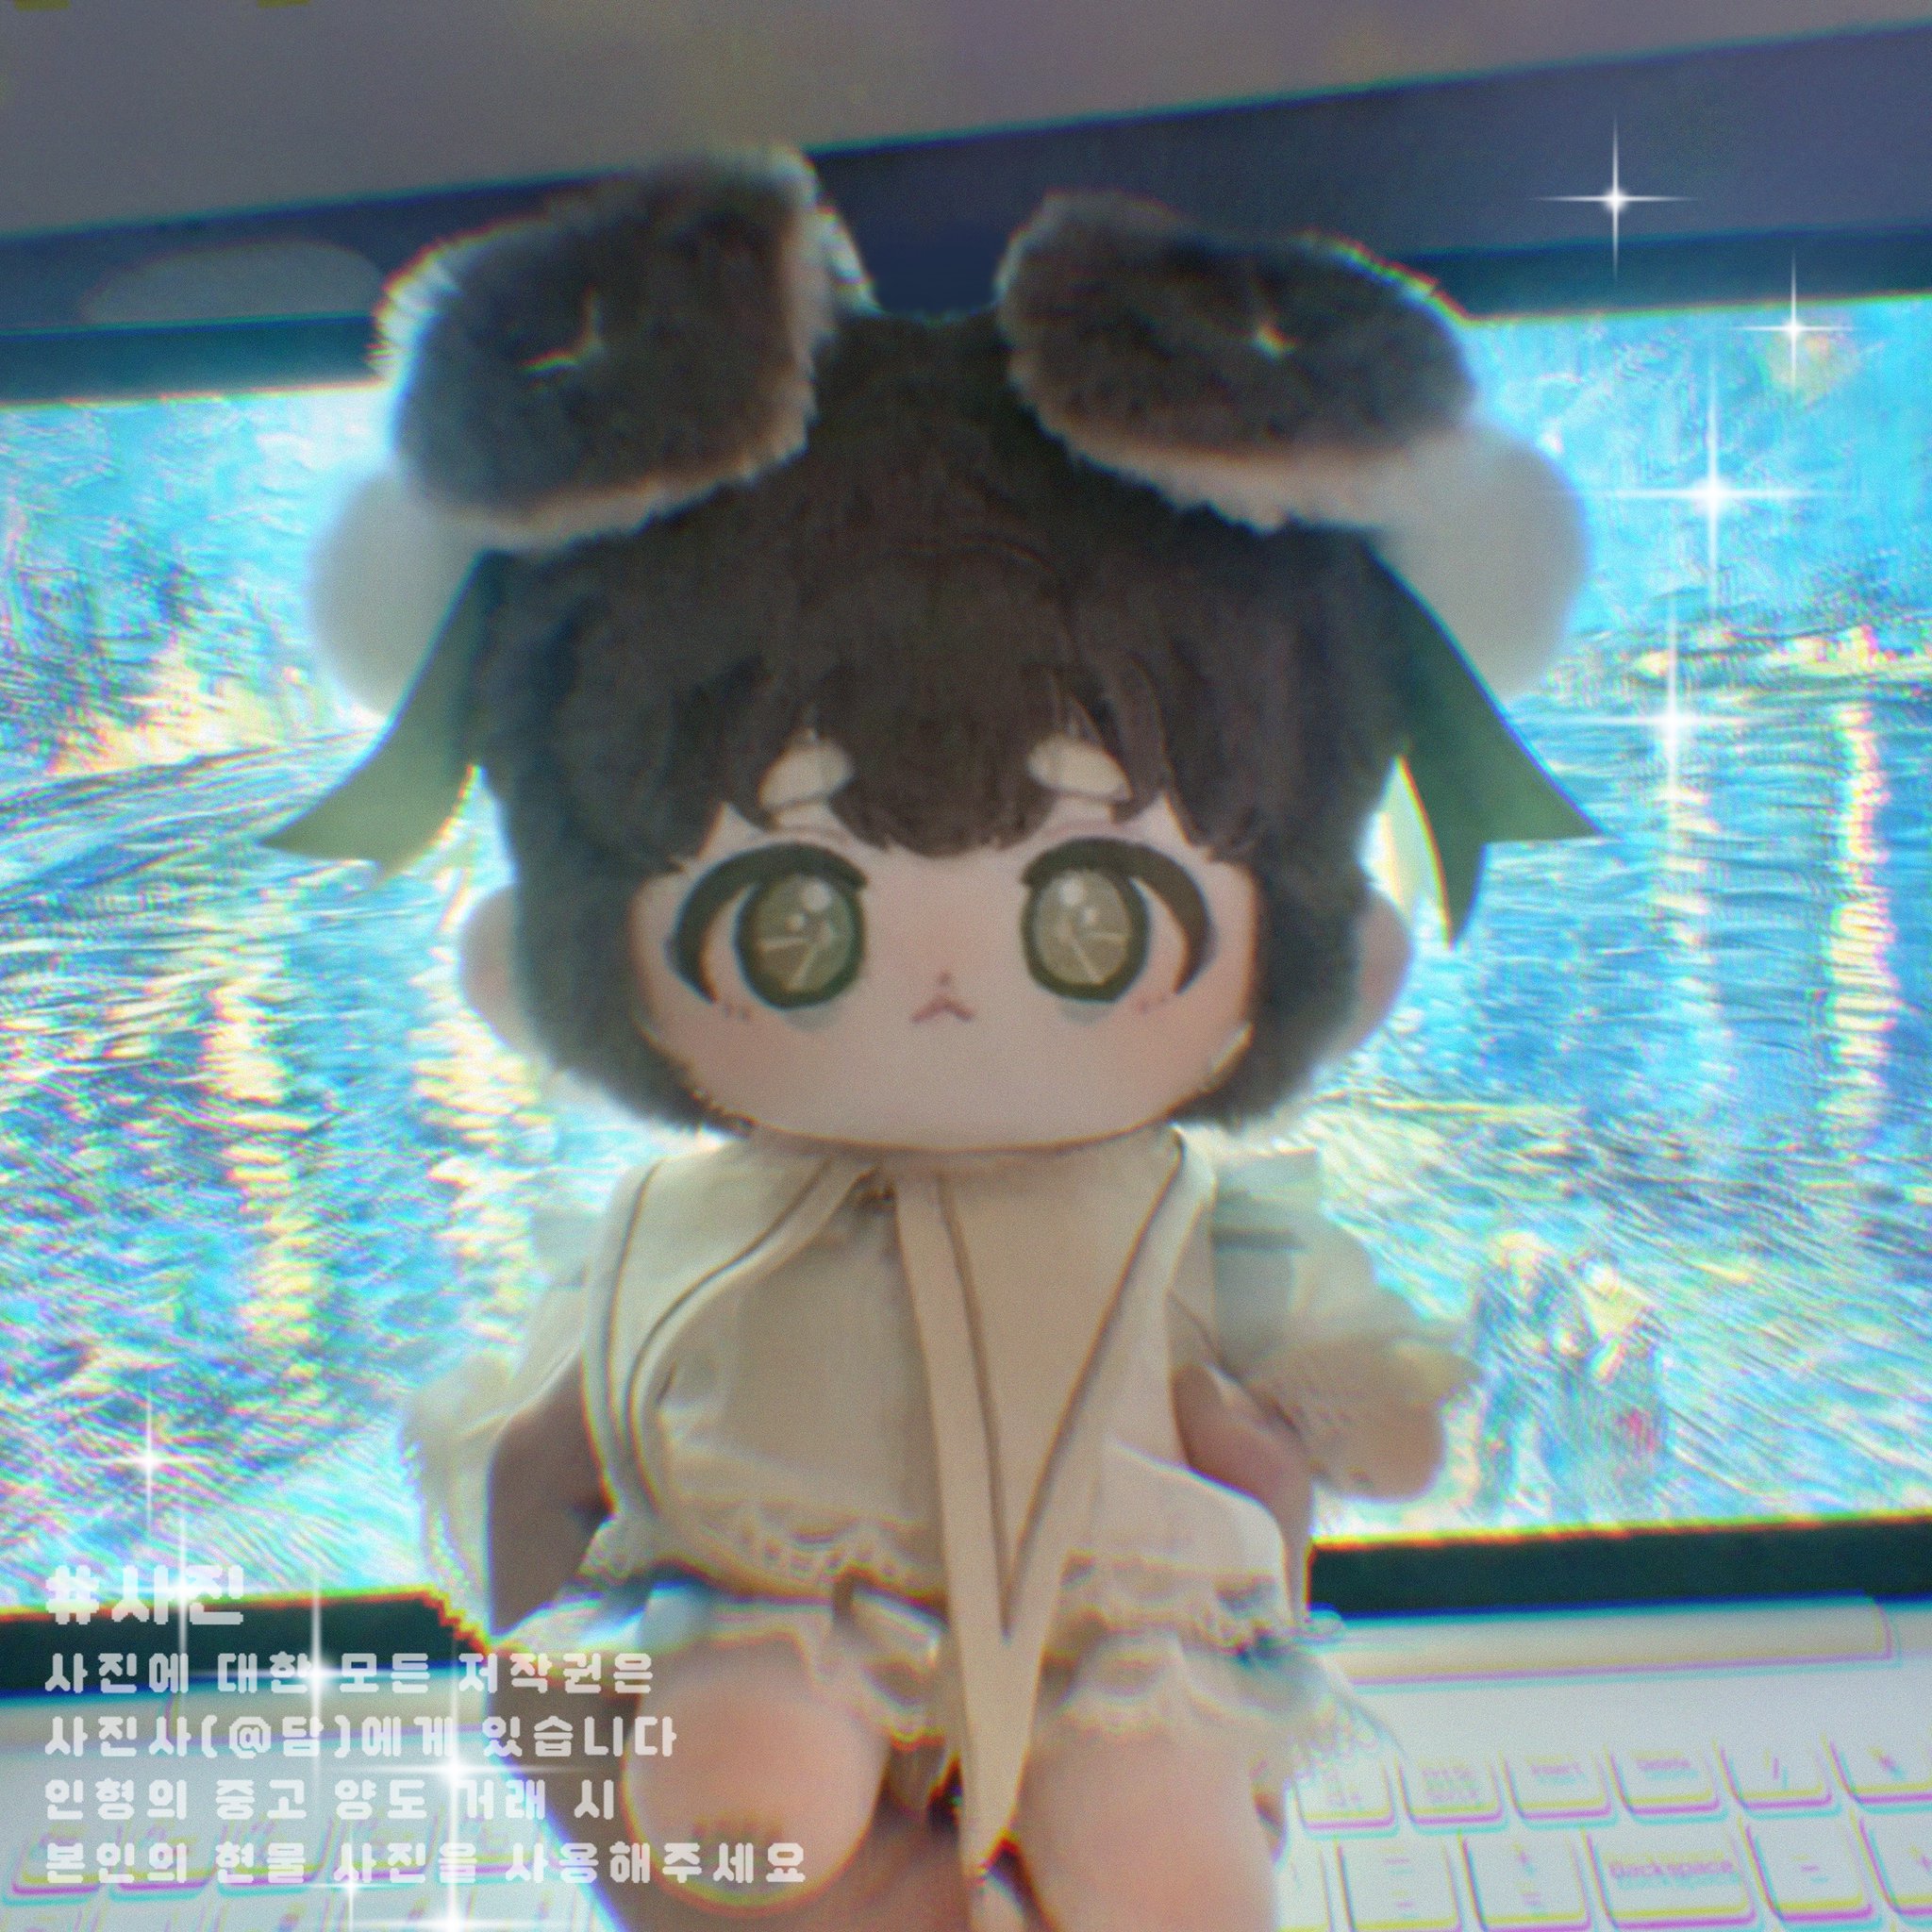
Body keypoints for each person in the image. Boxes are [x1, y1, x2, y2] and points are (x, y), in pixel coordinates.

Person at [275, 152, 1590, 1931]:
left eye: (1094, 914)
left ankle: (1113, 1784)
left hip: (1120, 1629)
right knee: (760, 1757)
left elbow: (531, 1486)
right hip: (775, 1611)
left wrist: (1352, 1397)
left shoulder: (1180, 1224)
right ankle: (823, 1737)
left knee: (1139, 1810)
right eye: (797, 922)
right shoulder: (680, 1232)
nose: (955, 991)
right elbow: (543, 1445)